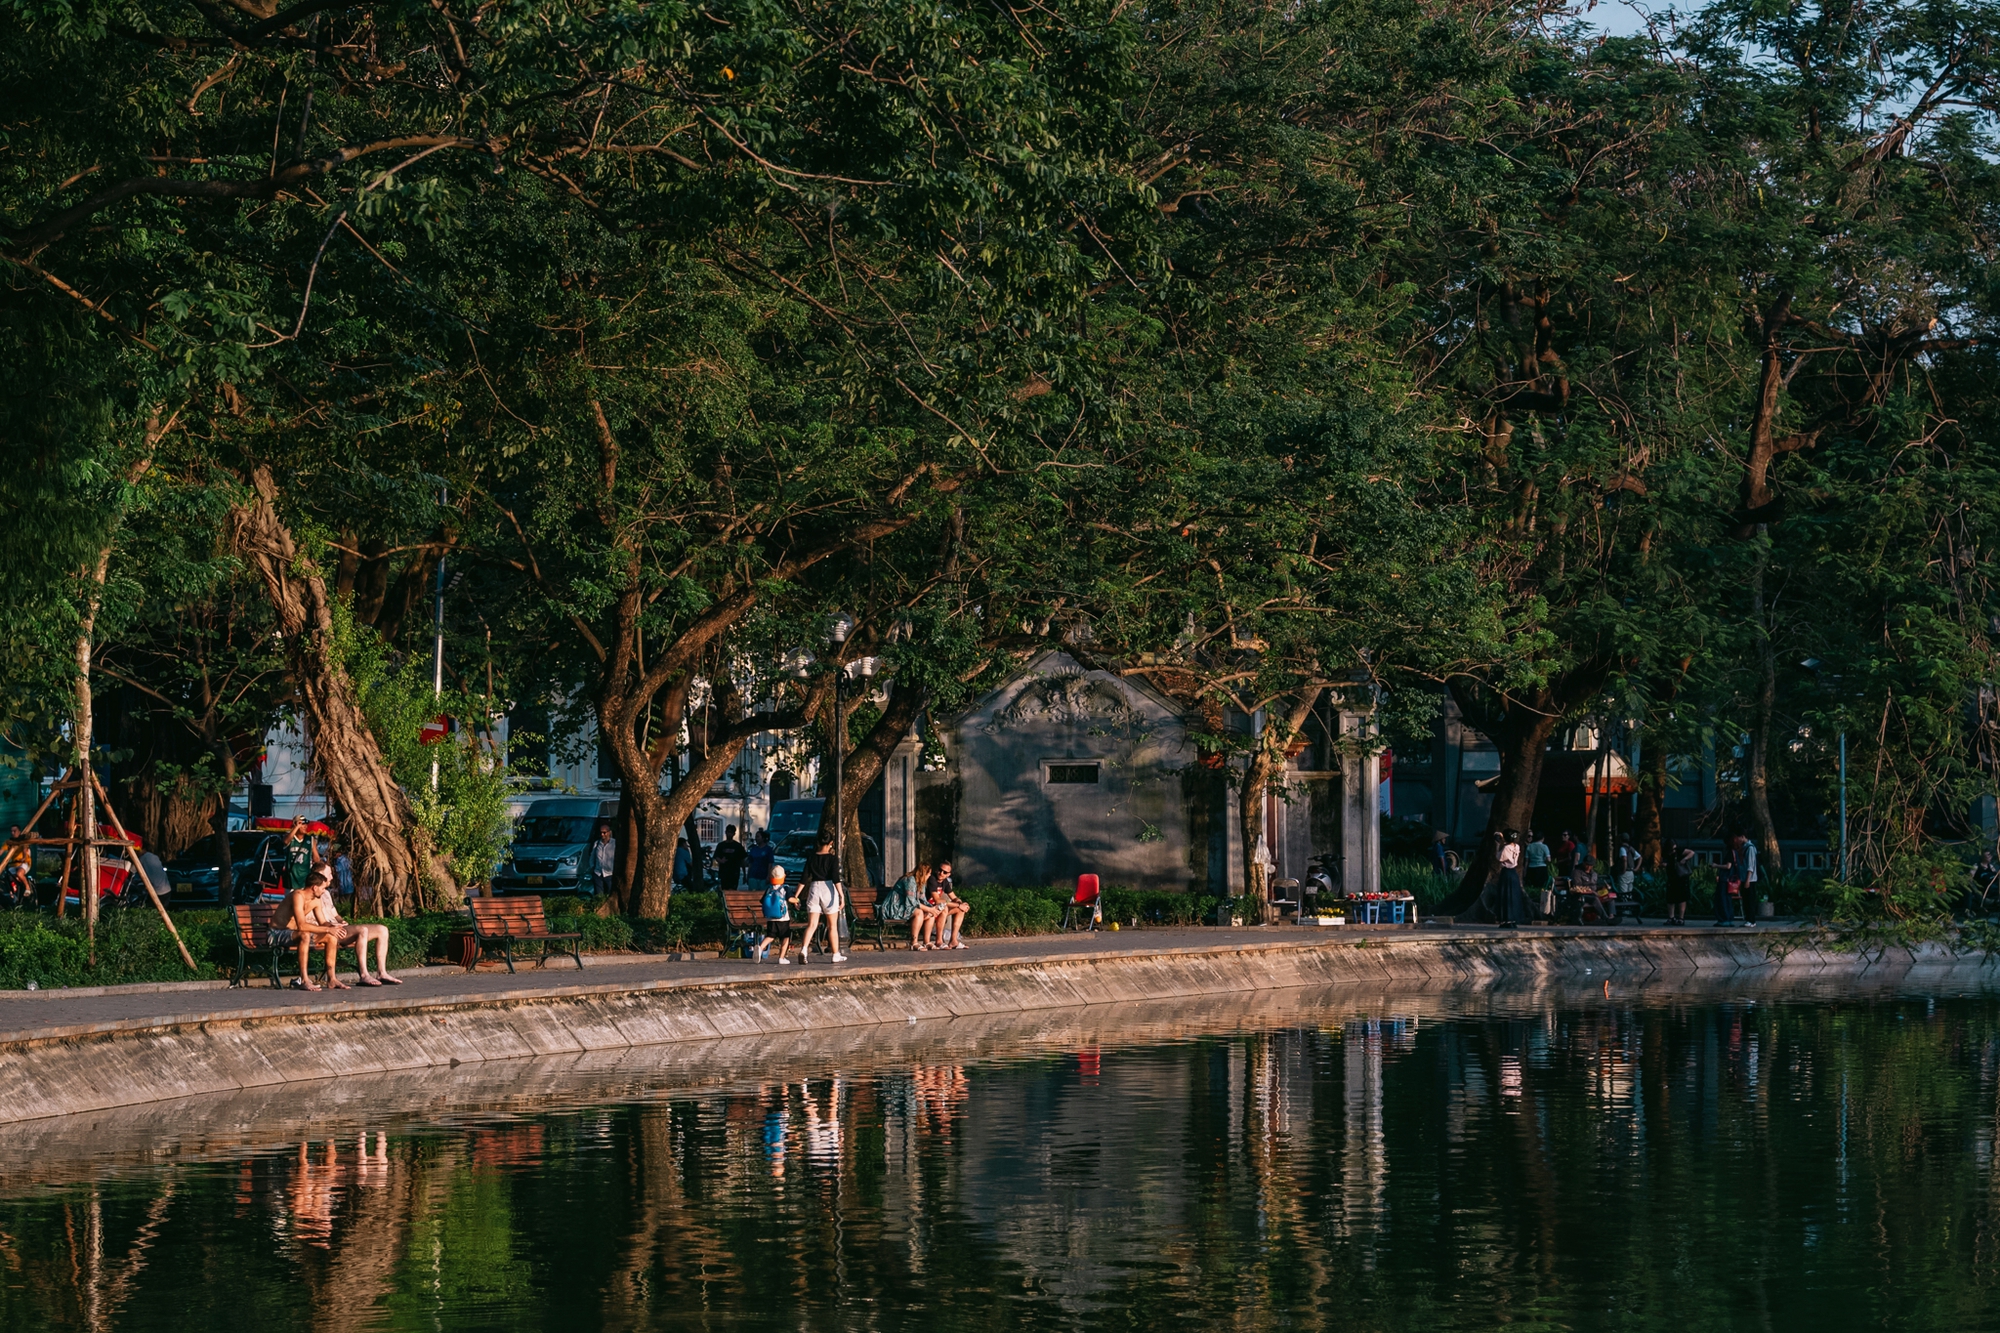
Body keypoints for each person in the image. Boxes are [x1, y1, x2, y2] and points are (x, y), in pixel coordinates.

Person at [307, 868, 400, 985]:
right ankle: (364, 975)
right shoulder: (310, 895)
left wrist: (342, 921)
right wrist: (332, 926)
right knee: (362, 930)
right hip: (328, 931)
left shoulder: (325, 893)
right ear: (319, 875)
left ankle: (382, 973)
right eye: (329, 874)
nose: (331, 877)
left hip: (337, 926)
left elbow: (335, 914)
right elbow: (313, 920)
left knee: (382, 930)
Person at [272, 869, 346, 991]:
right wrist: (327, 929)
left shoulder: (316, 901)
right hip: (276, 933)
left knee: (331, 937)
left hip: (296, 934)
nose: (324, 891)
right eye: (322, 888)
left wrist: (333, 927)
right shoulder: (297, 896)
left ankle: (332, 979)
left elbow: (323, 922)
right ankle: (304, 980)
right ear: (314, 887)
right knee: (305, 935)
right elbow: (301, 925)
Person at [798, 837, 847, 963]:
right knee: (832, 926)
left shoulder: (811, 857)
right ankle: (835, 954)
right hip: (828, 888)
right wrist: (841, 895)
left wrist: (796, 895)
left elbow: (804, 878)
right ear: (831, 843)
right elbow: (836, 878)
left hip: (814, 888)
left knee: (812, 924)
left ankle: (804, 949)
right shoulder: (832, 858)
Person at [925, 862, 970, 949]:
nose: (941, 873)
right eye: (940, 870)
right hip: (928, 909)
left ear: (948, 874)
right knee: (944, 907)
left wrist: (961, 904)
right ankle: (939, 941)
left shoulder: (945, 882)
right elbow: (937, 900)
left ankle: (953, 941)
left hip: (938, 910)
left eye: (944, 872)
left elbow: (953, 897)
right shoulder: (932, 879)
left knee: (961, 910)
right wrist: (958, 905)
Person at [757, 865, 796, 964]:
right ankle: (781, 958)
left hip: (771, 918)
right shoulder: (785, 888)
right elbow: (790, 899)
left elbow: (763, 901)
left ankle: (760, 947)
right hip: (783, 919)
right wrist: (797, 900)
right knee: (785, 938)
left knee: (770, 936)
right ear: (783, 877)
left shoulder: (769, 889)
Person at [882, 863, 925, 946]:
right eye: (929, 874)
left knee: (929, 914)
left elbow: (923, 900)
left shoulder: (921, 882)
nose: (929, 876)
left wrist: (933, 909)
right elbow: (911, 902)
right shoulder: (910, 880)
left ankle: (927, 942)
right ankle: (914, 943)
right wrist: (929, 909)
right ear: (924, 874)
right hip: (895, 908)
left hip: (905, 907)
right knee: (919, 912)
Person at [1493, 831, 1526, 927]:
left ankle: (1505, 919)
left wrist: (1497, 845)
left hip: (1506, 872)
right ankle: (1513, 919)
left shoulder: (1506, 848)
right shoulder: (1517, 847)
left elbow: (1499, 857)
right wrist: (1504, 839)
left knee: (1505, 895)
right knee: (1513, 896)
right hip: (1513, 873)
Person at [283, 816, 318, 894]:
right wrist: (296, 827)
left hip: (305, 878)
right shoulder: (289, 837)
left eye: (306, 824)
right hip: (291, 879)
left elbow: (316, 858)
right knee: (291, 904)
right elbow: (285, 842)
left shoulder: (310, 839)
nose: (305, 826)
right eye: (302, 824)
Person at [1665, 842, 1695, 925]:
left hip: (1681, 877)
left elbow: (1692, 852)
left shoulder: (1679, 851)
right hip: (1672, 876)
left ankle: (1681, 917)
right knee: (1670, 898)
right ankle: (1671, 917)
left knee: (1681, 898)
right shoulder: (1667, 854)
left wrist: (1684, 859)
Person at [714, 824, 748, 895]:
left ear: (734, 834)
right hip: (724, 872)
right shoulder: (721, 845)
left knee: (733, 891)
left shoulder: (738, 846)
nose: (729, 834)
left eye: (731, 832)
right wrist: (721, 861)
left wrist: (745, 874)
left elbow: (742, 860)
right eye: (728, 832)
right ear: (725, 832)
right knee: (724, 891)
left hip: (734, 872)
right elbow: (716, 856)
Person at [591, 823, 617, 898]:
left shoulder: (614, 844)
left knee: (610, 894)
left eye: (604, 832)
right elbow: (592, 856)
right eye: (601, 833)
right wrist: (592, 867)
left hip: (610, 874)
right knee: (599, 895)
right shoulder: (597, 843)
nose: (602, 835)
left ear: (609, 832)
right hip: (598, 873)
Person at [1971, 848, 1999, 914]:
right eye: (1988, 855)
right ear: (1982, 856)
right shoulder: (1976, 866)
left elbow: (1997, 876)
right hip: (1984, 890)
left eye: (1990, 855)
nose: (1990, 857)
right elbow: (1969, 878)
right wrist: (1976, 891)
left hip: (1995, 889)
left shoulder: (1991, 866)